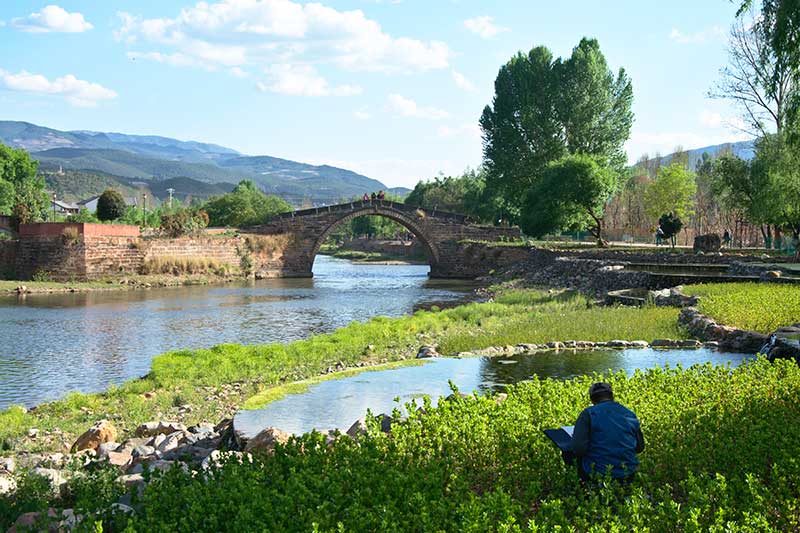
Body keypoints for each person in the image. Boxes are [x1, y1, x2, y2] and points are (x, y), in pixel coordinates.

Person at [570, 382, 644, 484]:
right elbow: (640, 447)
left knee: (569, 454)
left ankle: (584, 489)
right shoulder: (629, 413)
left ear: (592, 399)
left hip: (599, 473)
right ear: (612, 396)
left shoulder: (588, 414)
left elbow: (578, 449)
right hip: (628, 473)